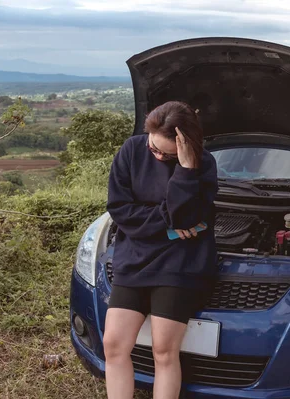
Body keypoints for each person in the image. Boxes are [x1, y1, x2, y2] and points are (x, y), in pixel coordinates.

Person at [102, 101, 219, 399]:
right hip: (134, 259)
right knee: (113, 346)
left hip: (179, 264)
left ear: (184, 145)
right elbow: (120, 209)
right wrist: (168, 227)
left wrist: (185, 170)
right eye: (154, 148)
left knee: (164, 352)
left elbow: (187, 219)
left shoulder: (202, 164)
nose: (157, 156)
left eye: (166, 155)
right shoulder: (131, 150)